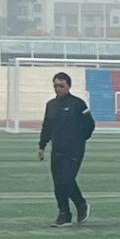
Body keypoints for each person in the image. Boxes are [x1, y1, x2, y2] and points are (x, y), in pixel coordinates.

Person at [37, 71, 95, 227]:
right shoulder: (51, 105)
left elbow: (90, 125)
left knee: (66, 180)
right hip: (57, 149)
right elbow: (47, 126)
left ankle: (80, 204)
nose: (58, 89)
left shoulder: (78, 104)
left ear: (69, 86)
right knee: (58, 183)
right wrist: (42, 146)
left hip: (74, 150)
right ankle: (64, 213)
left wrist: (79, 139)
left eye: (61, 86)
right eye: (56, 86)